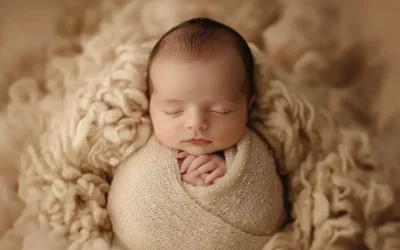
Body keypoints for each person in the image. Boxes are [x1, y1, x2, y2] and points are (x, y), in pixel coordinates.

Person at [141, 17, 256, 186]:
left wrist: (233, 176)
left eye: (220, 110)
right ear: (148, 108)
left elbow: (268, 191)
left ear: (248, 107)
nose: (196, 123)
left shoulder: (254, 152)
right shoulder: (139, 149)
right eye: (173, 110)